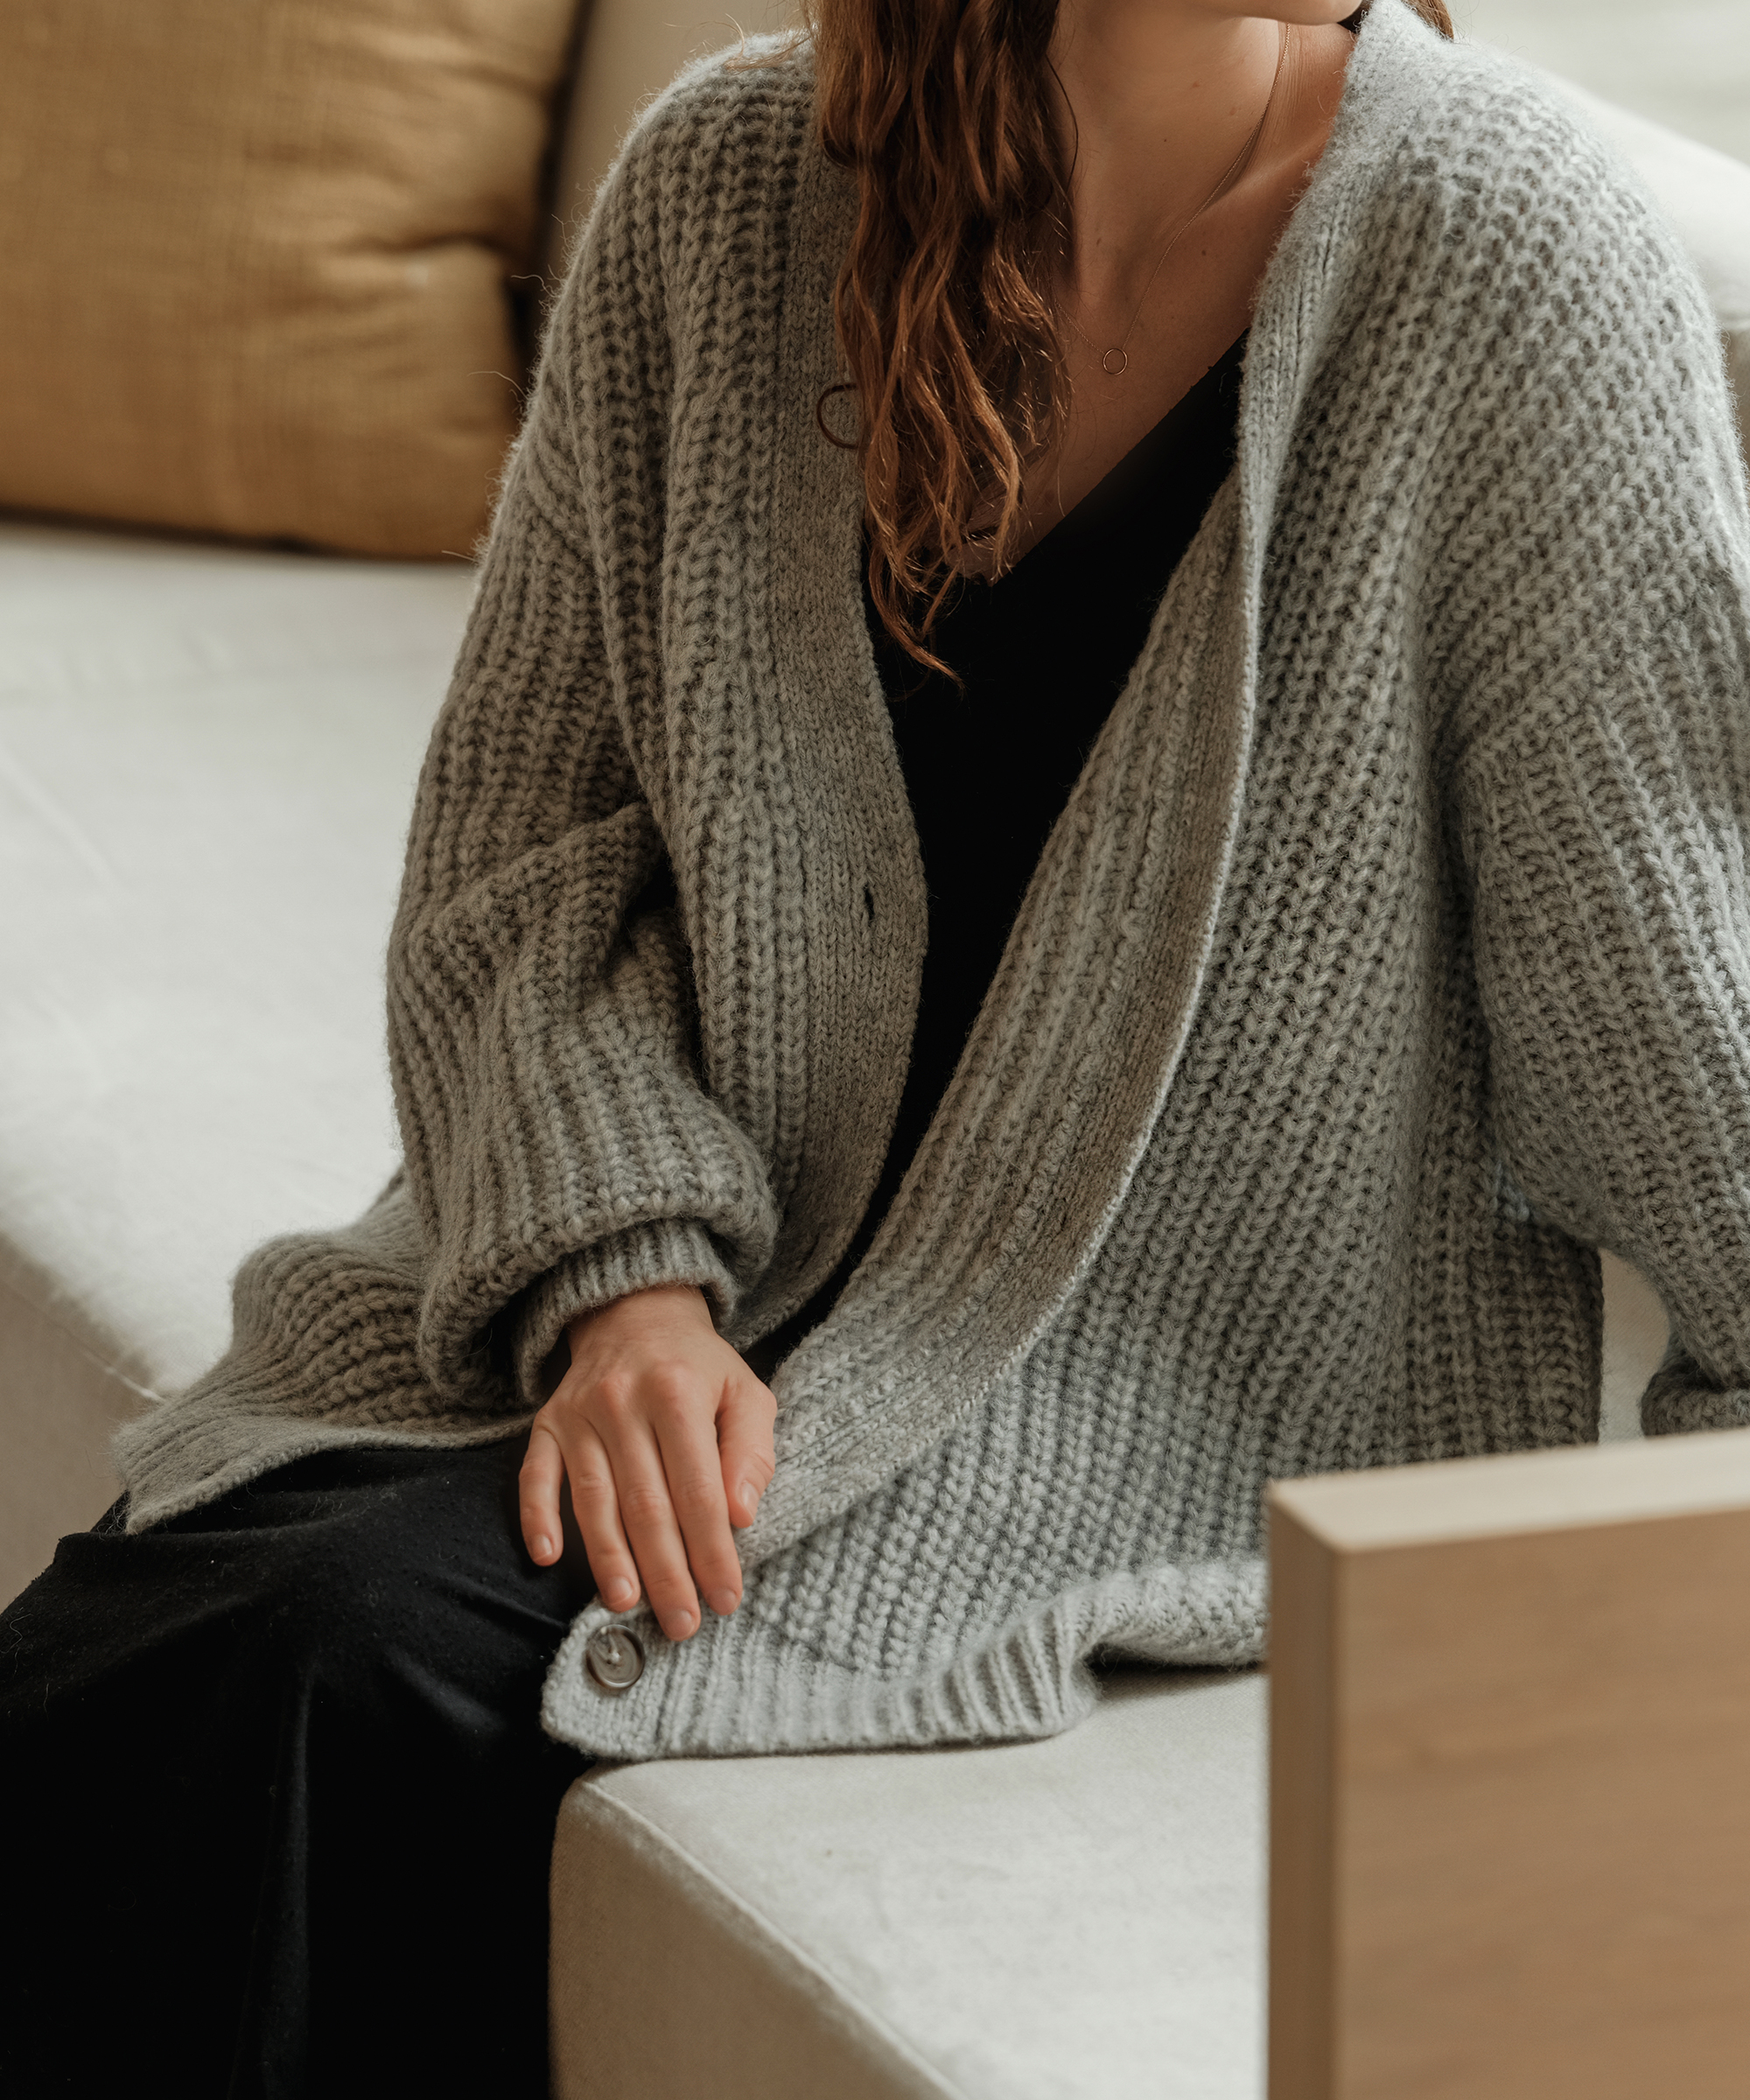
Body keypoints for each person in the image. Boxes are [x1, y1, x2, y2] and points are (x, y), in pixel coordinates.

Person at [6, 0, 1749, 2090]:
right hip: (674, 1293)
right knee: (157, 1634)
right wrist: (621, 1288)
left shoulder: (1503, 256)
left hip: (1136, 1391)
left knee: (318, 1656)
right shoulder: (725, 194)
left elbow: (1670, 987)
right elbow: (520, 872)